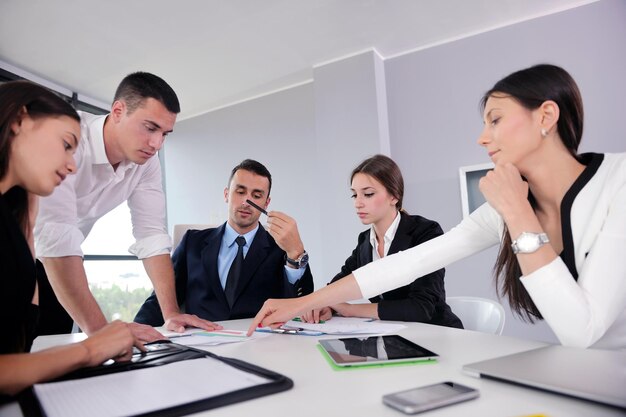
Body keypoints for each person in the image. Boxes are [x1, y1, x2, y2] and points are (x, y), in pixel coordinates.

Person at [249, 64, 626, 351]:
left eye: (495, 120)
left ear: (546, 116)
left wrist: (518, 214)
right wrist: (300, 305)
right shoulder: (507, 206)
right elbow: (410, 263)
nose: (482, 138)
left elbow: (582, 332)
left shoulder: (618, 180)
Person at [34, 72, 217, 342]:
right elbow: (55, 235)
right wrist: (104, 333)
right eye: (150, 127)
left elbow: (152, 235)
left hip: (52, 266)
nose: (157, 144)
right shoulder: (69, 139)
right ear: (118, 111)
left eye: (165, 134)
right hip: (19, 253)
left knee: (51, 353)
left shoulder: (147, 164)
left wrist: (171, 313)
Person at [0, 81, 142, 399]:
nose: (73, 164)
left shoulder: (15, 222)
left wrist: (31, 207)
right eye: (66, 144)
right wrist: (91, 349)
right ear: (19, 120)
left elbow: (18, 347)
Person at [134, 159, 314, 324]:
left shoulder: (280, 248)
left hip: (260, 343)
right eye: (240, 192)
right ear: (227, 194)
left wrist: (295, 253)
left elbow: (301, 304)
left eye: (256, 195)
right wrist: (136, 332)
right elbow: (163, 296)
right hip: (201, 342)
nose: (247, 202)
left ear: (266, 203)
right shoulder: (192, 242)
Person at [301, 155, 462, 328]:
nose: (358, 203)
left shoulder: (425, 232)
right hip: (394, 337)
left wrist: (350, 310)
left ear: (394, 196)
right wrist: (326, 305)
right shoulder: (365, 241)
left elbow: (421, 308)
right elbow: (339, 284)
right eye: (354, 195)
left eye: (368, 194)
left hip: (436, 333)